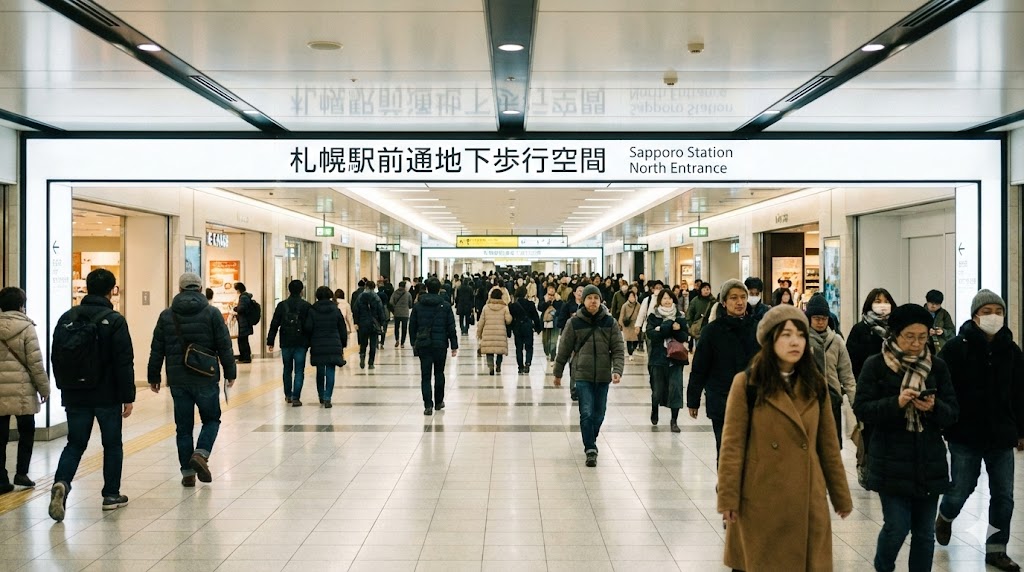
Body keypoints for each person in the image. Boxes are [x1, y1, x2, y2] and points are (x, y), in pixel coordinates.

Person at [717, 305, 853, 571]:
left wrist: (841, 497)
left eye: (800, 335)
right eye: (786, 335)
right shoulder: (747, 384)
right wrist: (728, 498)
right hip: (760, 499)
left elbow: (827, 447)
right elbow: (732, 446)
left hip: (807, 501)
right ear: (770, 340)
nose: (795, 342)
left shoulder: (816, 384)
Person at [853, 303, 958, 572]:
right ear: (895, 334)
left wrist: (933, 407)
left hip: (928, 461)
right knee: (896, 527)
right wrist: (896, 403)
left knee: (924, 534)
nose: (916, 343)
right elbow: (862, 408)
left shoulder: (937, 367)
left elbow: (952, 413)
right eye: (909, 336)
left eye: (922, 337)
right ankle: (883, 567)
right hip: (890, 460)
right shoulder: (876, 365)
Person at [935, 290, 1024, 571]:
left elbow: (1020, 393)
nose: (993, 316)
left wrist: (1021, 430)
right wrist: (946, 420)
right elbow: (943, 388)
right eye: (987, 312)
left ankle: (996, 551)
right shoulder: (955, 348)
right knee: (961, 489)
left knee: (1003, 497)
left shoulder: (1011, 351)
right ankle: (946, 515)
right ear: (975, 316)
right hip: (965, 434)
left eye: (998, 311)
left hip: (1001, 435)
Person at [47, 270, 135, 520]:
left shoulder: (67, 317)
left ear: (87, 287)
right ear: (112, 290)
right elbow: (124, 361)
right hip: (107, 395)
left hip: (75, 394)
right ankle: (111, 495)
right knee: (112, 444)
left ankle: (62, 482)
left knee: (75, 444)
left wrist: (65, 387)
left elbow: (55, 356)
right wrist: (128, 396)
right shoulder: (114, 320)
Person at [148, 272, 237, 488]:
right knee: (211, 419)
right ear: (200, 289)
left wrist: (153, 375)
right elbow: (224, 344)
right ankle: (201, 453)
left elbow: (157, 348)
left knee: (183, 428)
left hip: (178, 380)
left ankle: (187, 474)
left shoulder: (166, 315)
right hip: (206, 377)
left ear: (179, 289)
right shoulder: (212, 313)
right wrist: (230, 371)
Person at [687, 279, 759, 461]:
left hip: (753, 400)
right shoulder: (712, 331)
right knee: (726, 451)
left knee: (752, 453)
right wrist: (693, 400)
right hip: (721, 400)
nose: (739, 302)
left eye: (743, 297)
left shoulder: (758, 328)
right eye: (734, 298)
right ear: (724, 302)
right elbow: (700, 367)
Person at [553, 285, 625, 467]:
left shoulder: (609, 322)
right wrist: (558, 373)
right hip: (582, 374)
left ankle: (590, 437)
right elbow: (564, 349)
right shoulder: (574, 322)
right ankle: (590, 448)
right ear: (583, 300)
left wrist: (617, 370)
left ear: (600, 301)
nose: (593, 301)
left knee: (599, 414)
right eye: (589, 298)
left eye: (596, 298)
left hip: (603, 375)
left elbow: (618, 348)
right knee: (586, 412)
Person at [0, 287, 49, 495]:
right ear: (21, 305)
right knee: (27, 432)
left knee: (0, 435)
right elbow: (35, 363)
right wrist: (44, 388)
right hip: (23, 390)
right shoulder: (27, 328)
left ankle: (1, 479)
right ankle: (21, 473)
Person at [804, 293, 857, 450]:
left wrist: (855, 404)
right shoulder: (801, 340)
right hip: (807, 400)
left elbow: (847, 375)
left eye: (824, 318)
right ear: (809, 318)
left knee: (831, 447)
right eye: (816, 318)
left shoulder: (836, 341)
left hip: (832, 399)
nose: (820, 322)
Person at [410, 278, 458, 415]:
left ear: (426, 288)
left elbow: (412, 326)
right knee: (439, 373)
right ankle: (438, 402)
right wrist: (454, 345)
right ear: (439, 289)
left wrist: (414, 342)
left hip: (423, 344)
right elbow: (451, 327)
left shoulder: (418, 306)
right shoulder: (445, 306)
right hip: (440, 344)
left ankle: (427, 405)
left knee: (425, 375)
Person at [645, 290, 689, 432]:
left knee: (676, 389)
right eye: (664, 298)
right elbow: (651, 334)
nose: (667, 301)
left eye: (670, 298)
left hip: (676, 358)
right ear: (659, 300)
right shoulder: (653, 316)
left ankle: (674, 420)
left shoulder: (680, 316)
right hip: (658, 358)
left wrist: (673, 330)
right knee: (657, 390)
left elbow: (684, 336)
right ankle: (655, 408)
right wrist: (669, 327)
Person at [266, 280, 311, 406]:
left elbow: (274, 324)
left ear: (288, 290)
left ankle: (288, 395)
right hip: (301, 343)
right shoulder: (306, 306)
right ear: (302, 291)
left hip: (286, 342)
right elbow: (309, 326)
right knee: (299, 370)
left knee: (287, 369)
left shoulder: (282, 305)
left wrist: (270, 341)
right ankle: (296, 397)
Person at [305, 286, 348, 409]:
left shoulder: (312, 310)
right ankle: (328, 397)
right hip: (333, 343)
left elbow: (308, 328)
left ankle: (321, 395)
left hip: (318, 344)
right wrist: (343, 344)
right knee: (330, 370)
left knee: (320, 370)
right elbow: (342, 328)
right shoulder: (336, 310)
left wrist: (309, 342)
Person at [847, 288, 896, 378]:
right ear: (870, 304)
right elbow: (851, 360)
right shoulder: (859, 329)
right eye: (878, 302)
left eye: (886, 302)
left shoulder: (896, 328)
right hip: (867, 379)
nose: (883, 305)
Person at [555, 285, 584, 398]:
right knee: (573, 364)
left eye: (583, 291)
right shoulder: (567, 305)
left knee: (580, 364)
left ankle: (579, 388)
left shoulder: (587, 307)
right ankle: (574, 389)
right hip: (569, 337)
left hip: (582, 339)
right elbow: (560, 321)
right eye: (579, 291)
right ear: (574, 293)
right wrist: (571, 321)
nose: (580, 293)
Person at [352, 280, 386, 370]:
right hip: (374, 323)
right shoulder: (376, 297)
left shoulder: (360, 297)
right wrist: (382, 323)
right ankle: (371, 363)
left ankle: (362, 357)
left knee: (363, 343)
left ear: (366, 286)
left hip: (363, 323)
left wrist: (356, 322)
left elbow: (355, 310)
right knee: (373, 344)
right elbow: (381, 311)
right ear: (374, 287)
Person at [477, 289, 512, 375]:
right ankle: (498, 365)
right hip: (500, 332)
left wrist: (479, 333)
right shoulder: (504, 307)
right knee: (500, 351)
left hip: (488, 332)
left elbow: (481, 322)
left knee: (489, 351)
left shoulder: (486, 307)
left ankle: (491, 367)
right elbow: (508, 320)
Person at [508, 287, 542, 374]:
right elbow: (536, 317)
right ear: (525, 294)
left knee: (518, 348)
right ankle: (527, 363)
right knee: (529, 347)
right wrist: (538, 328)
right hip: (528, 327)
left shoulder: (512, 306)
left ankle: (520, 367)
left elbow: (510, 319)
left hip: (517, 328)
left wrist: (509, 330)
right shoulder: (530, 304)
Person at [539, 286, 564, 366]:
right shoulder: (544, 299)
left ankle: (553, 356)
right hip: (545, 322)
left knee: (553, 340)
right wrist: (547, 302)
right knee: (545, 341)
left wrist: (555, 302)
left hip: (555, 322)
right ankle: (547, 352)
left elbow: (561, 310)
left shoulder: (559, 301)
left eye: (552, 294)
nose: (551, 296)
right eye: (549, 294)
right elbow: (540, 308)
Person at [232, 282, 254, 363]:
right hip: (245, 322)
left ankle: (246, 357)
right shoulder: (246, 297)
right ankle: (243, 357)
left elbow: (241, 309)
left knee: (243, 341)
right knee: (243, 340)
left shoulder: (243, 297)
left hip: (243, 323)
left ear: (238, 289)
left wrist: (235, 308)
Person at [618, 290, 642, 360]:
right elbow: (621, 315)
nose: (632, 298)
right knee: (628, 340)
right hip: (627, 325)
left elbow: (641, 314)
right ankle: (630, 354)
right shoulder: (625, 306)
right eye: (630, 296)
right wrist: (622, 324)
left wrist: (640, 324)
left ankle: (633, 349)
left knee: (636, 340)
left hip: (635, 325)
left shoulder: (638, 305)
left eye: (633, 296)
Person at [389, 281, 413, 348]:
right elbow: (410, 304)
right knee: (404, 328)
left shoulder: (395, 293)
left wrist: (395, 307)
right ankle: (402, 343)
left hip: (397, 313)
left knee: (397, 327)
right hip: (405, 313)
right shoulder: (408, 294)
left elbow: (391, 302)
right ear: (405, 286)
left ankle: (397, 339)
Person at [377, 284, 391, 349]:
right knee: (384, 330)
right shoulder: (385, 295)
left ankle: (376, 342)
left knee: (377, 328)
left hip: (377, 314)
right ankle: (382, 343)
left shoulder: (376, 295)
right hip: (385, 313)